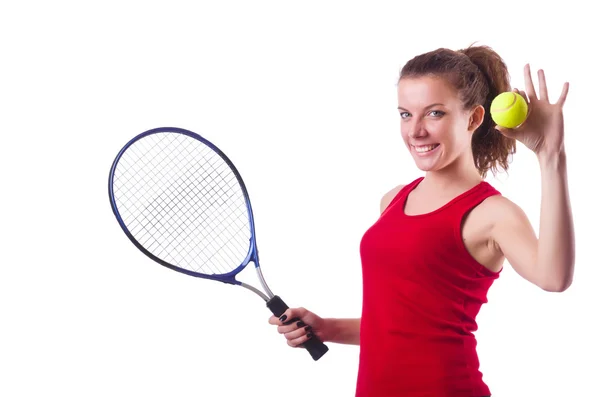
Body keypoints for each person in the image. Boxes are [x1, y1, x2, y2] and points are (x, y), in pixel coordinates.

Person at [269, 44, 575, 396]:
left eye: (434, 114)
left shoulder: (492, 213)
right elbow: (404, 325)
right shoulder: (393, 200)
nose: (415, 131)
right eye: (405, 114)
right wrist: (327, 328)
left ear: (474, 119)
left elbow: (554, 277)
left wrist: (551, 155)